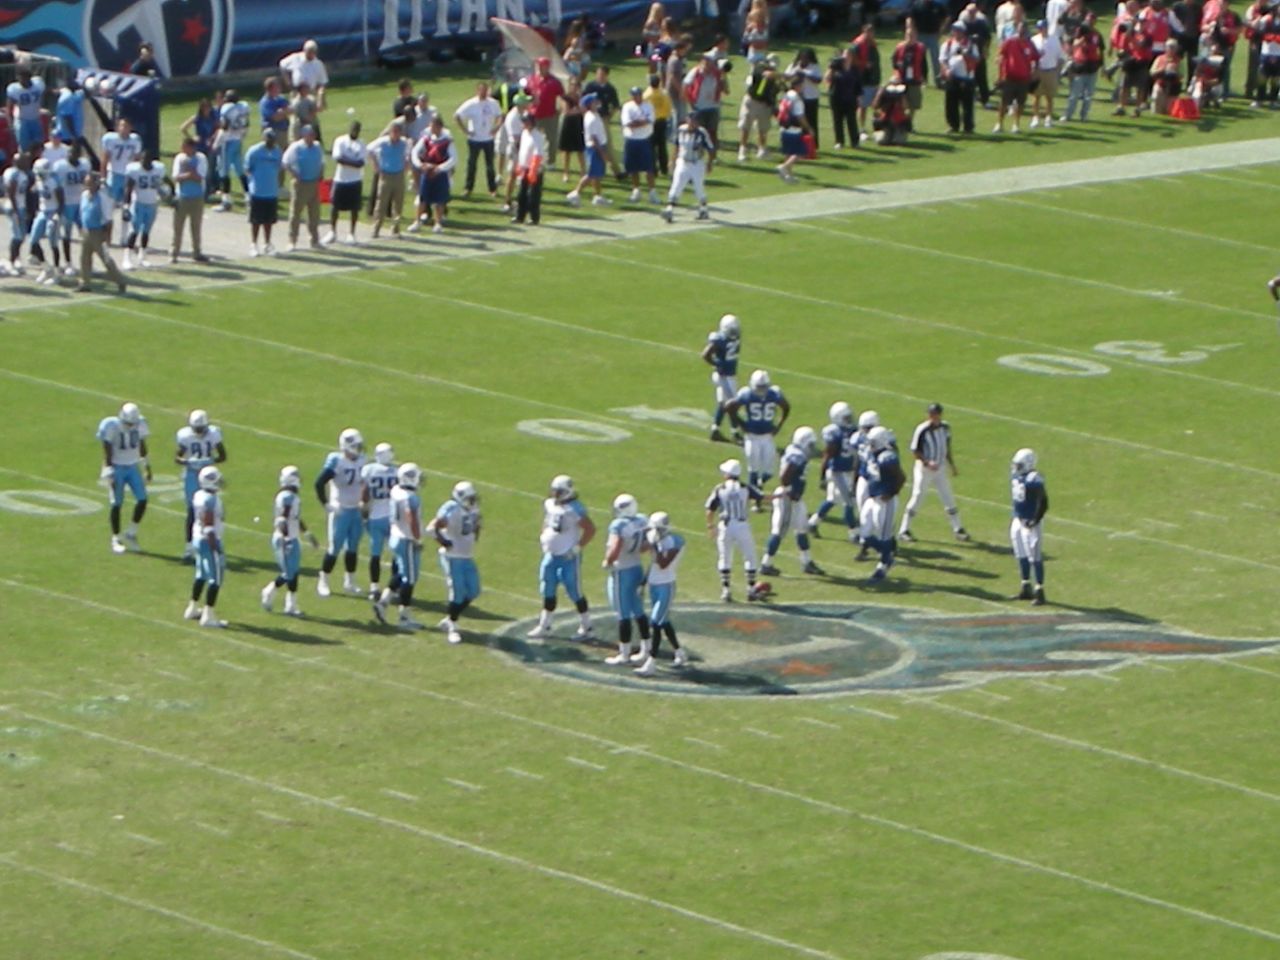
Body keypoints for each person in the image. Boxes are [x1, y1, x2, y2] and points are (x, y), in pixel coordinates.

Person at [527, 474, 597, 640]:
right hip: (551, 555)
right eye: (555, 491)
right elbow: (548, 521)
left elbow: (590, 529)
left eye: (559, 492)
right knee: (548, 589)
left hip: (568, 557)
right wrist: (544, 535)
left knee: (574, 591)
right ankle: (545, 624)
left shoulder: (575, 508)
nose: (555, 494)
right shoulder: (550, 504)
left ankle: (587, 626)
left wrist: (577, 548)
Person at [897, 403, 970, 543]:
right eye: (931, 414)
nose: (933, 417)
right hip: (924, 469)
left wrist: (951, 465)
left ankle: (958, 528)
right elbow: (915, 451)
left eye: (935, 414)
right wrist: (927, 462)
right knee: (918, 495)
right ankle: (903, 530)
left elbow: (946, 448)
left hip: (940, 468)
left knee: (948, 496)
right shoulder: (922, 430)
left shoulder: (945, 428)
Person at [759, 426, 823, 577]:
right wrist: (788, 489)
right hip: (787, 498)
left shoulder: (796, 451)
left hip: (795, 499)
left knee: (802, 529)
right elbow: (784, 476)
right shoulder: (797, 455)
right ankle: (766, 564)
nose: (812, 447)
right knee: (779, 532)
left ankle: (806, 562)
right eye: (810, 444)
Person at [314, 428, 368, 598]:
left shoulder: (363, 461)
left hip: (356, 510)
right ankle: (323, 580)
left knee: (353, 547)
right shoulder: (336, 460)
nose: (359, 449)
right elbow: (319, 483)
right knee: (334, 547)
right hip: (341, 509)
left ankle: (350, 582)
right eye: (356, 445)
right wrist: (327, 504)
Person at [633, 512, 688, 676]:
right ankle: (679, 652)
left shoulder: (675, 541)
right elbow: (649, 560)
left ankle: (651, 663)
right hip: (654, 585)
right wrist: (643, 583)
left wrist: (655, 545)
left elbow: (664, 564)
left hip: (666, 585)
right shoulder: (655, 538)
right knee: (663, 622)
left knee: (656, 623)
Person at [428, 481, 483, 645]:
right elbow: (432, 528)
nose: (472, 501)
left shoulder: (472, 509)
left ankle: (450, 619)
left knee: (474, 590)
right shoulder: (451, 508)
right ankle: (453, 627)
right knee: (457, 593)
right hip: (452, 557)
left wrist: (476, 530)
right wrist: (444, 542)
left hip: (466, 556)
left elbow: (476, 523)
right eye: (469, 498)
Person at [727, 369, 790, 508]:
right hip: (752, 437)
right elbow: (729, 406)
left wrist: (778, 425)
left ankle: (758, 487)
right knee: (753, 469)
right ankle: (756, 501)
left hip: (767, 437)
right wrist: (742, 424)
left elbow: (786, 407)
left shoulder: (774, 393)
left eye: (763, 387)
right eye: (759, 387)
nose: (761, 390)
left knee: (769, 471)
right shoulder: (746, 394)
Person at [373, 462, 426, 630]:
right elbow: (411, 517)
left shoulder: (396, 490)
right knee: (409, 579)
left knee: (402, 574)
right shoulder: (410, 498)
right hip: (406, 539)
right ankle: (404, 617)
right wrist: (417, 538)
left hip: (396, 535)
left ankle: (383, 602)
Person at [602, 493, 652, 666]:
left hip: (621, 570)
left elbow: (616, 546)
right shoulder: (642, 521)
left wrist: (608, 561)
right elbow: (647, 545)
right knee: (638, 611)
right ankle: (646, 648)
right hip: (636, 567)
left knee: (622, 614)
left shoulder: (619, 525)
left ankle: (624, 653)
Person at [261, 465, 317, 617]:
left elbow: (295, 518)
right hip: (285, 538)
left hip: (292, 537)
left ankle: (291, 605)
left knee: (293, 572)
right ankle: (270, 591)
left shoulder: (290, 496)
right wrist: (285, 538)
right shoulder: (288, 497)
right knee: (289, 572)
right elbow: (283, 518)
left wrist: (307, 534)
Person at [705, 458, 764, 602]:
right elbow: (761, 496)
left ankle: (726, 590)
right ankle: (751, 589)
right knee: (750, 557)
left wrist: (710, 526)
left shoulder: (720, 488)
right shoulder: (745, 487)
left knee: (725, 557)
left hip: (725, 525)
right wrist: (779, 496)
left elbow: (710, 508)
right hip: (742, 525)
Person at [97, 401, 150, 555]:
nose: (130, 426)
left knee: (142, 499)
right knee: (116, 503)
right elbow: (107, 450)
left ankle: (131, 532)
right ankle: (116, 538)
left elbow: (142, 445)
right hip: (117, 467)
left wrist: (147, 466)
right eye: (127, 423)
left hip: (133, 466)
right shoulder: (111, 426)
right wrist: (109, 471)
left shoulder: (140, 424)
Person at [175, 409, 227, 556]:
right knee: (192, 511)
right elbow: (177, 457)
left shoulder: (213, 434)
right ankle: (189, 547)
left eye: (200, 428)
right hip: (192, 474)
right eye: (196, 428)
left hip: (209, 475)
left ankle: (214, 540)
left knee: (213, 508)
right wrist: (187, 461)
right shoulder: (185, 436)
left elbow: (223, 456)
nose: (198, 431)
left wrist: (210, 460)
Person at [808, 402, 859, 542]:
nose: (849, 420)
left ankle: (813, 523)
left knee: (833, 499)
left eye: (849, 417)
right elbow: (828, 455)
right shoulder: (834, 433)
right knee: (849, 502)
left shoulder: (854, 430)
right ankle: (854, 533)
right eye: (845, 418)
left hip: (848, 471)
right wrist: (823, 476)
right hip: (837, 472)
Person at [861, 426, 906, 584]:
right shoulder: (873, 454)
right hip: (873, 498)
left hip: (885, 501)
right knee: (865, 533)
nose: (870, 445)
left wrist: (892, 492)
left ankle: (883, 566)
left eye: (873, 442)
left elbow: (901, 477)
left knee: (884, 535)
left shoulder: (887, 457)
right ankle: (887, 555)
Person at [183, 467, 226, 628]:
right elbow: (208, 525)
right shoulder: (210, 500)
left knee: (201, 574)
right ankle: (208, 616)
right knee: (216, 579)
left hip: (197, 537)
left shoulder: (198, 495)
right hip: (208, 539)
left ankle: (192, 608)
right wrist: (215, 546)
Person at [1009, 447, 1048, 605]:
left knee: (1035, 557)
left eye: (1019, 464)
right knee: (1021, 554)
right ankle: (1026, 586)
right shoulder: (1018, 477)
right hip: (1018, 520)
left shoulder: (1034, 478)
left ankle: (1040, 591)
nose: (1016, 467)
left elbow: (1044, 502)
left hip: (1031, 522)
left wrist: (1035, 519)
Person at [360, 443, 399, 601]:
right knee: (396, 554)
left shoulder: (369, 470)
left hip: (374, 517)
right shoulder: (396, 472)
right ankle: (394, 589)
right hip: (391, 518)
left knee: (375, 554)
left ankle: (374, 588)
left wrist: (364, 514)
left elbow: (364, 493)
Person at [77, 172, 127, 294]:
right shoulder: (84, 195)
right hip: (86, 230)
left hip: (97, 232)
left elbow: (108, 219)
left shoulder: (102, 198)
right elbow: (82, 213)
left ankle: (120, 281)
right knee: (84, 258)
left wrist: (107, 237)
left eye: (89, 182)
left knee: (106, 259)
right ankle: (85, 283)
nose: (87, 185)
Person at [454, 81, 503, 198]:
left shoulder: (493, 103)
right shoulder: (471, 104)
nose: (484, 93)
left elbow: (500, 116)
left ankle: (492, 189)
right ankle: (468, 188)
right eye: (482, 90)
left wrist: (496, 127)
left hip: (488, 139)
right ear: (477, 91)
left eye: (486, 90)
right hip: (474, 139)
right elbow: (457, 116)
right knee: (471, 164)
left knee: (490, 165)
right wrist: (465, 130)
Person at [410, 114, 457, 234]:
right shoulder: (426, 139)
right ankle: (417, 221)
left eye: (434, 126)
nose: (431, 128)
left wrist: (440, 168)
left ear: (439, 126)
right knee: (422, 197)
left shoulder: (447, 141)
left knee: (439, 200)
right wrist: (420, 164)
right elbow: (415, 151)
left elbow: (453, 158)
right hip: (427, 171)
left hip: (440, 173)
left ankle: (438, 223)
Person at [566, 93, 612, 207]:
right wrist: (602, 153)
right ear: (590, 105)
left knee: (596, 175)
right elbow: (594, 138)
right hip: (595, 148)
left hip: (597, 147)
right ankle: (576, 193)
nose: (597, 103)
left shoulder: (593, 115)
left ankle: (598, 196)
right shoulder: (592, 118)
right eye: (594, 101)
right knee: (592, 174)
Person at [283, 125, 324, 250]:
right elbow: (285, 162)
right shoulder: (296, 147)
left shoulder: (317, 146)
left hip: (314, 183)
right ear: (304, 135)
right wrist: (294, 174)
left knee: (314, 214)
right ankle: (292, 240)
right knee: (295, 213)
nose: (312, 137)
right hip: (301, 184)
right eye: (310, 135)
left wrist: (321, 174)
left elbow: (321, 162)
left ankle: (314, 240)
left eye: (313, 135)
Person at [121, 150, 164, 271]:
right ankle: (127, 258)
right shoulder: (134, 170)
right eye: (143, 160)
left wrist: (168, 194)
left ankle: (142, 256)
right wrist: (126, 206)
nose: (144, 163)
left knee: (146, 231)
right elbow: (128, 189)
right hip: (138, 203)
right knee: (134, 231)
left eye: (147, 160)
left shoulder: (158, 169)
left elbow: (161, 183)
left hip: (152, 203)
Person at [368, 119, 411, 238]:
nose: (396, 135)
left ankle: (395, 229)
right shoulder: (382, 142)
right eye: (394, 132)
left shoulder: (404, 143)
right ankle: (376, 228)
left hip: (399, 175)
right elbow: (369, 150)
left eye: (398, 132)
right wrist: (375, 165)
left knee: (398, 203)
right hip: (385, 175)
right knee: (381, 202)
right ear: (390, 132)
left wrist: (407, 163)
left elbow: (408, 154)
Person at [326, 120, 367, 244]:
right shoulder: (340, 141)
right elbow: (338, 158)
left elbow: (361, 163)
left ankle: (351, 233)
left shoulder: (361, 144)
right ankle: (332, 232)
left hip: (355, 180)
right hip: (341, 179)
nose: (355, 131)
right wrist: (353, 162)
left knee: (354, 208)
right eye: (353, 129)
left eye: (357, 129)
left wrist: (347, 161)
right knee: (335, 206)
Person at [170, 138, 210, 264]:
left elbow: (200, 176)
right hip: (182, 196)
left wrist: (189, 175)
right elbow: (176, 177)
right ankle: (174, 253)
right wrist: (189, 175)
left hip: (197, 197)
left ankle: (197, 252)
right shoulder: (179, 158)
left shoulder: (201, 158)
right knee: (177, 227)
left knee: (196, 226)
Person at [702, 313, 741, 440]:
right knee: (732, 404)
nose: (734, 332)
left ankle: (715, 430)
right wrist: (717, 364)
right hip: (724, 376)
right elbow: (705, 355)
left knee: (723, 403)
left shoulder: (732, 337)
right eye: (731, 330)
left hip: (728, 375)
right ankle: (735, 432)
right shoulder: (719, 339)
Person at [244, 129, 283, 256]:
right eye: (268, 139)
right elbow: (247, 169)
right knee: (256, 220)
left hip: (271, 191)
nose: (270, 142)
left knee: (269, 220)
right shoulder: (254, 151)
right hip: (258, 191)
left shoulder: (277, 151)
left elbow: (278, 167)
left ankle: (267, 243)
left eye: (272, 139)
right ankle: (253, 244)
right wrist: (253, 183)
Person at [54, 143, 91, 276]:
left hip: (82, 203)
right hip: (67, 204)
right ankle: (68, 263)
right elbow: (56, 187)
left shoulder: (85, 164)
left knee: (87, 234)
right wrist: (59, 206)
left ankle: (86, 262)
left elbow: (89, 182)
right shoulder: (60, 166)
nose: (72, 155)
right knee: (66, 235)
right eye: (70, 152)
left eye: (74, 153)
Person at [100, 118, 143, 232]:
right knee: (109, 207)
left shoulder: (135, 140)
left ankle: (124, 237)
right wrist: (103, 177)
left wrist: (137, 176)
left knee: (127, 207)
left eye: (127, 126)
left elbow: (137, 160)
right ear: (117, 127)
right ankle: (106, 235)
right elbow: (105, 159)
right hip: (114, 174)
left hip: (128, 176)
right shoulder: (111, 139)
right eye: (122, 126)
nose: (124, 129)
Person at [995, 20, 1038, 132]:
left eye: (1023, 29)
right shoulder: (1010, 41)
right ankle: (999, 124)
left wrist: (1034, 71)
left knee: (1020, 103)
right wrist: (1000, 72)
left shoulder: (1029, 44)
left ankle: (1016, 124)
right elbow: (1001, 54)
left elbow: (1035, 58)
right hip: (1010, 77)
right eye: (1020, 29)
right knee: (1004, 101)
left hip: (1024, 78)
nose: (1021, 31)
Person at [1062, 11, 1104, 120]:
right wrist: (1082, 39)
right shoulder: (1080, 31)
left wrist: (1101, 65)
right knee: (1074, 94)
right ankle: (1068, 115)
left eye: (1092, 19)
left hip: (1092, 67)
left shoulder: (1097, 34)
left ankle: (1084, 115)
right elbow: (1073, 44)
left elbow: (1100, 49)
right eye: (1088, 19)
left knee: (1088, 95)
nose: (1090, 21)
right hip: (1080, 66)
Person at [27, 158, 63, 286]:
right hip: (42, 212)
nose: (38, 175)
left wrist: (58, 214)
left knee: (53, 244)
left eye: (40, 173)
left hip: (53, 212)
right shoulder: (39, 180)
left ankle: (57, 273)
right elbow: (35, 191)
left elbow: (61, 200)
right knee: (33, 241)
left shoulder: (53, 182)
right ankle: (47, 268)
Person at [621, 85, 659, 204]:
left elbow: (650, 120)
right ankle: (636, 190)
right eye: (634, 95)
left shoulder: (648, 106)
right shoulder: (627, 107)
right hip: (631, 140)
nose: (637, 97)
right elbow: (628, 123)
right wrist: (641, 122)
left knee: (649, 168)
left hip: (645, 139)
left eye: (638, 94)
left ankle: (652, 192)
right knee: (633, 168)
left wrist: (637, 123)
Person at [738, 54, 780, 160]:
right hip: (752, 101)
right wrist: (782, 75)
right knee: (746, 126)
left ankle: (762, 150)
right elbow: (767, 74)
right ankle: (742, 150)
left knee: (763, 128)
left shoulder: (774, 79)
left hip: (765, 103)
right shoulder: (759, 68)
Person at [941, 22, 979, 134]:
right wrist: (946, 71)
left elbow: (976, 59)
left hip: (967, 78)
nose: (957, 33)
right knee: (951, 104)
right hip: (952, 78)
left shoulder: (971, 44)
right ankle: (953, 125)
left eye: (959, 30)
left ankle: (968, 127)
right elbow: (943, 60)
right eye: (955, 30)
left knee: (967, 105)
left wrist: (965, 54)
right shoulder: (947, 44)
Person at [216, 90, 251, 211]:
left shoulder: (226, 108)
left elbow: (224, 126)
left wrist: (217, 140)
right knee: (240, 169)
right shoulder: (244, 106)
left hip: (228, 140)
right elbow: (247, 123)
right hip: (238, 139)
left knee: (224, 170)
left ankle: (226, 200)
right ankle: (248, 197)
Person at [684, 52, 727, 148]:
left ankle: (713, 154)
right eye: (705, 62)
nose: (707, 65)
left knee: (712, 132)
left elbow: (726, 91)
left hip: (713, 107)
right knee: (698, 131)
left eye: (710, 62)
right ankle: (697, 152)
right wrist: (690, 103)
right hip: (698, 107)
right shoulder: (695, 72)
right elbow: (685, 87)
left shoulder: (717, 74)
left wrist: (723, 76)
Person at [527, 57, 565, 167]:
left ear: (547, 67)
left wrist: (559, 108)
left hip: (550, 114)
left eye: (542, 65)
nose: (539, 67)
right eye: (538, 65)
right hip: (534, 114)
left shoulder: (554, 82)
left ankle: (550, 161)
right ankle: (532, 160)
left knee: (551, 139)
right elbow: (526, 94)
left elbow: (561, 96)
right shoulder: (532, 79)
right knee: (533, 138)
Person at [501, 92, 534, 212]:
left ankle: (519, 200)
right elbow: (516, 138)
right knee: (513, 175)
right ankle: (507, 202)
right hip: (516, 148)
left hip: (522, 147)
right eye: (526, 102)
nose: (528, 104)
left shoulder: (523, 113)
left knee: (522, 175)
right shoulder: (513, 117)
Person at [179, 99, 219, 198]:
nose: (207, 110)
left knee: (210, 169)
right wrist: (192, 138)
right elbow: (183, 128)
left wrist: (213, 138)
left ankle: (208, 191)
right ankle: (201, 189)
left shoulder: (213, 117)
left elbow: (218, 128)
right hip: (199, 146)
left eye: (208, 107)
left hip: (210, 146)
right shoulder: (197, 118)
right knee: (200, 168)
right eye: (205, 108)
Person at [512, 110, 547, 225]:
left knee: (533, 195)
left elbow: (538, 154)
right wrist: (519, 165)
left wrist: (533, 169)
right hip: (525, 167)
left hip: (535, 169)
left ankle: (534, 217)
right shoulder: (524, 133)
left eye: (526, 122)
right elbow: (522, 150)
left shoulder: (537, 136)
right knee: (521, 194)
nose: (525, 124)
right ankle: (520, 216)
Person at [775, 75, 811, 183]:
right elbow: (800, 116)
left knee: (788, 153)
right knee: (801, 152)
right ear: (798, 85)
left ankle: (788, 176)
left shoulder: (787, 95)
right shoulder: (797, 99)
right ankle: (784, 167)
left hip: (784, 127)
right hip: (794, 128)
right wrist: (808, 128)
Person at [826, 48, 863, 149]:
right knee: (837, 121)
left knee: (852, 121)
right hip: (836, 98)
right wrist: (831, 67)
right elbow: (827, 79)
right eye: (844, 55)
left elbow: (858, 86)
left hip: (850, 99)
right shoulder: (836, 67)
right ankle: (839, 141)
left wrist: (859, 98)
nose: (845, 57)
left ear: (852, 57)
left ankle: (855, 142)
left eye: (848, 55)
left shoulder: (855, 70)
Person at [785, 48, 823, 146]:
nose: (804, 60)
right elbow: (786, 77)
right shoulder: (794, 66)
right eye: (802, 58)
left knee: (811, 121)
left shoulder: (814, 67)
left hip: (811, 98)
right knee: (797, 121)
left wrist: (805, 74)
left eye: (806, 58)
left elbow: (818, 80)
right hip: (796, 98)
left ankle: (813, 144)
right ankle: (799, 142)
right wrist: (795, 73)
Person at [1030, 19, 1065, 126]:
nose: (1042, 30)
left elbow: (1060, 56)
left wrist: (1058, 71)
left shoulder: (1054, 39)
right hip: (1038, 70)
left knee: (1049, 96)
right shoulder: (1034, 40)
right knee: (1036, 96)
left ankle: (1048, 117)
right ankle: (1035, 117)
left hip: (1051, 70)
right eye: (1040, 28)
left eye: (1044, 28)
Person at [850, 23, 882, 138]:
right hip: (863, 80)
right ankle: (862, 129)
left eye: (872, 32)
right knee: (862, 106)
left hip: (874, 79)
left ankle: (877, 127)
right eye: (868, 32)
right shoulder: (857, 45)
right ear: (864, 32)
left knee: (877, 105)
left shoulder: (872, 44)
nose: (870, 34)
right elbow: (851, 60)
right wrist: (864, 64)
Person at [893, 21, 930, 120]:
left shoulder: (920, 48)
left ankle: (909, 122)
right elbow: (894, 61)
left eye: (912, 35)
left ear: (916, 36)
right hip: (902, 78)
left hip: (915, 79)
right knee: (901, 103)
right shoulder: (900, 47)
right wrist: (897, 71)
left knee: (914, 104)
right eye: (908, 35)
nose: (910, 38)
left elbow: (924, 64)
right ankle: (902, 120)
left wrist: (924, 77)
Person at [279, 39, 329, 110]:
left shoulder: (318, 64)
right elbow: (282, 65)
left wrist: (320, 96)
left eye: (313, 52)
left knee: (310, 117)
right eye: (309, 52)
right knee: (295, 115)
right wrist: (288, 82)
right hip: (297, 92)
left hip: (310, 93)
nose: (311, 54)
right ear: (304, 50)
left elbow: (323, 82)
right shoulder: (295, 58)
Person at [6, 67, 46, 153]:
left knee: (38, 146)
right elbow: (9, 107)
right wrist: (11, 124)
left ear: (29, 77)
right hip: (22, 120)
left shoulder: (38, 84)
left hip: (35, 118)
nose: (21, 80)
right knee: (24, 148)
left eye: (24, 78)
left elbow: (42, 94)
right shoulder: (15, 89)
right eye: (20, 78)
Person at [557, 78, 586, 183]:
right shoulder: (564, 97)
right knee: (566, 150)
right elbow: (566, 111)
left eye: (576, 85)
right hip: (567, 123)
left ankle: (583, 171)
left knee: (580, 149)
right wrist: (578, 110)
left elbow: (584, 111)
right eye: (572, 85)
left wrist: (578, 110)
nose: (574, 87)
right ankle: (566, 172)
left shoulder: (581, 98)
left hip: (579, 123)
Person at [644, 72, 673, 175]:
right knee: (662, 146)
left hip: (651, 123)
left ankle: (653, 169)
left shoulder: (647, 95)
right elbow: (669, 107)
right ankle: (664, 168)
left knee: (651, 146)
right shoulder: (664, 93)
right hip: (662, 121)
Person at [1150, 44, 1184, 112]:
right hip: (1160, 84)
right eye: (1169, 47)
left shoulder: (1179, 60)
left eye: (1173, 48)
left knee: (1169, 110)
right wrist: (1162, 69)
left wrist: (1176, 70)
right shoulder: (1159, 58)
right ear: (1165, 48)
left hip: (1173, 86)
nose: (1171, 50)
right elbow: (1152, 72)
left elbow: (1182, 76)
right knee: (1157, 110)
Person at [55, 78, 85, 148]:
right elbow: (67, 118)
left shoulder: (75, 94)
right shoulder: (67, 97)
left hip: (76, 134)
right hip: (67, 136)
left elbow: (87, 94)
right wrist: (74, 135)